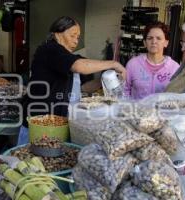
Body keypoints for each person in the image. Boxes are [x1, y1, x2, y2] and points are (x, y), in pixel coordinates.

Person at [17, 16, 126, 145]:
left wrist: (104, 81)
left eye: (78, 37)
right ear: (58, 33)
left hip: (58, 125)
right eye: (72, 35)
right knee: (31, 162)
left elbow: (83, 88)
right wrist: (113, 64)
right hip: (39, 124)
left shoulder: (68, 58)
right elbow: (80, 66)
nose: (76, 41)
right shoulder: (50, 49)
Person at [124, 21, 180, 100]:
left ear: (166, 43)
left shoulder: (175, 68)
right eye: (150, 38)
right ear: (144, 43)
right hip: (137, 111)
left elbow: (178, 96)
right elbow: (124, 91)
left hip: (163, 112)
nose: (154, 42)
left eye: (158, 38)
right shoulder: (133, 64)